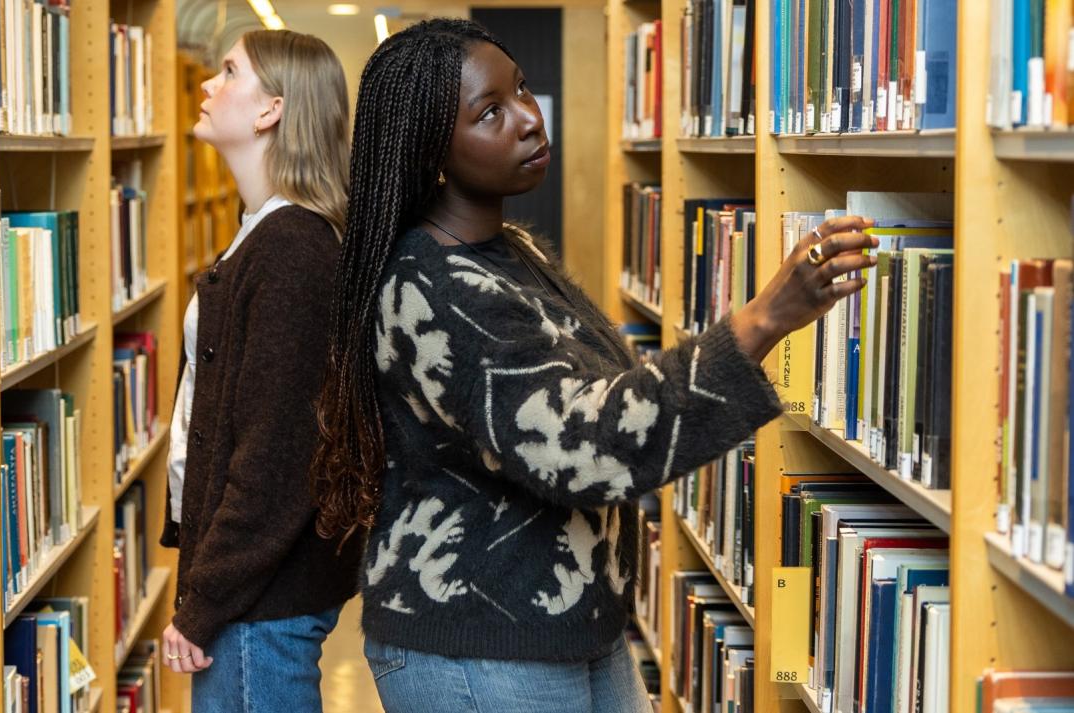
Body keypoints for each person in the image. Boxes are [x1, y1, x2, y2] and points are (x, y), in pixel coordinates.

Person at [310, 18, 876, 713]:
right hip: (482, 643)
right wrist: (763, 320)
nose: (528, 119)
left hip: (573, 622)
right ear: (435, 154)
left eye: (521, 91)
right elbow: (583, 444)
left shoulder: (508, 251)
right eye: (492, 112)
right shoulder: (432, 287)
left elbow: (607, 387)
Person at [158, 29, 361, 713]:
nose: (210, 87)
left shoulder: (292, 251)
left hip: (257, 608)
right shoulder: (263, 233)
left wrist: (205, 600)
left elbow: (274, 459)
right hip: (250, 598)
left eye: (228, 71)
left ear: (272, 108)